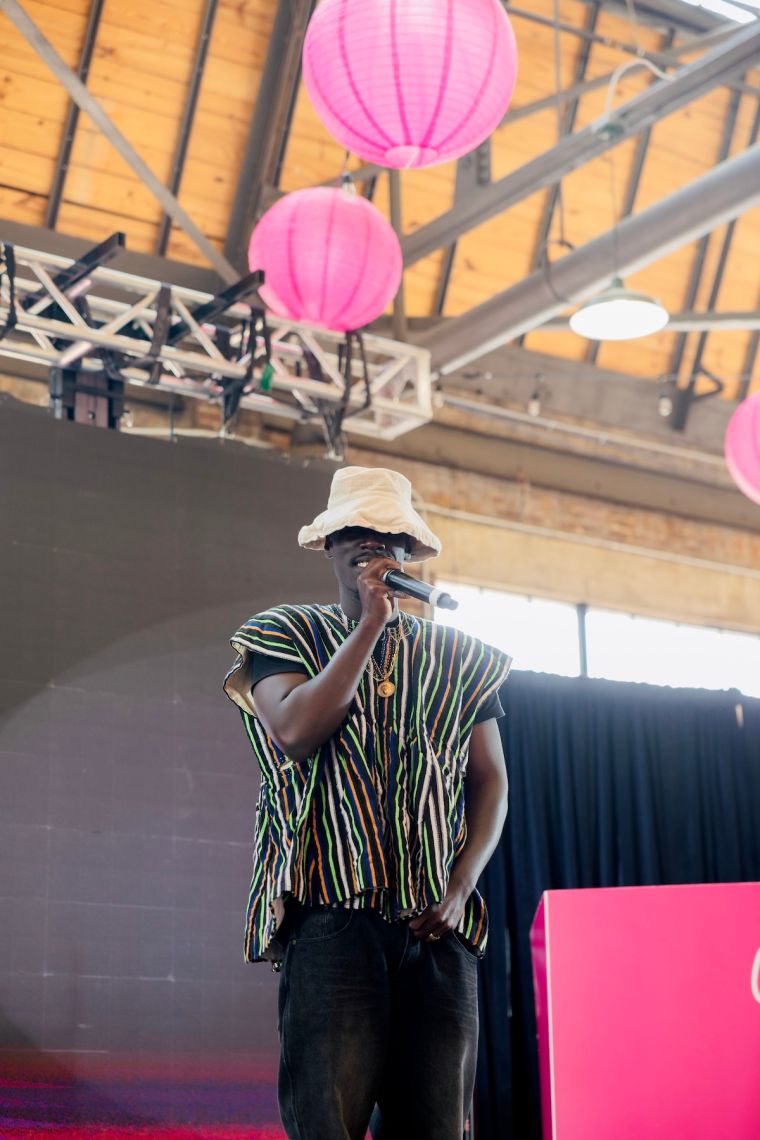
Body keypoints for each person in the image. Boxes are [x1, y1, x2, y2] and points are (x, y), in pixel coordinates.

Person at [224, 466, 512, 1140]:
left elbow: (491, 780)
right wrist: (370, 626)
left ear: (409, 553)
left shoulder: (462, 658)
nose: (372, 543)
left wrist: (460, 887)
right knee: (327, 1124)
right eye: (355, 530)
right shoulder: (283, 633)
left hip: (436, 931)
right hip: (331, 924)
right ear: (329, 544)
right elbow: (296, 730)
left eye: (390, 536)